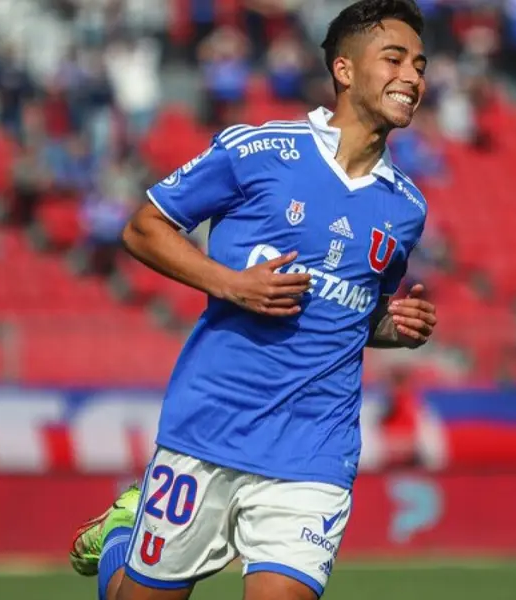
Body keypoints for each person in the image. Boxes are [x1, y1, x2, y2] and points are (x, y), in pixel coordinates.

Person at [68, 2, 439, 599]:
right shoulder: (259, 150)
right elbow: (143, 229)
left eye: (420, 65)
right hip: (210, 425)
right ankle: (122, 529)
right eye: (394, 58)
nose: (413, 77)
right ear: (345, 70)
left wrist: (392, 327)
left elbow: (349, 309)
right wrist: (232, 283)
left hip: (314, 448)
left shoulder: (406, 207)